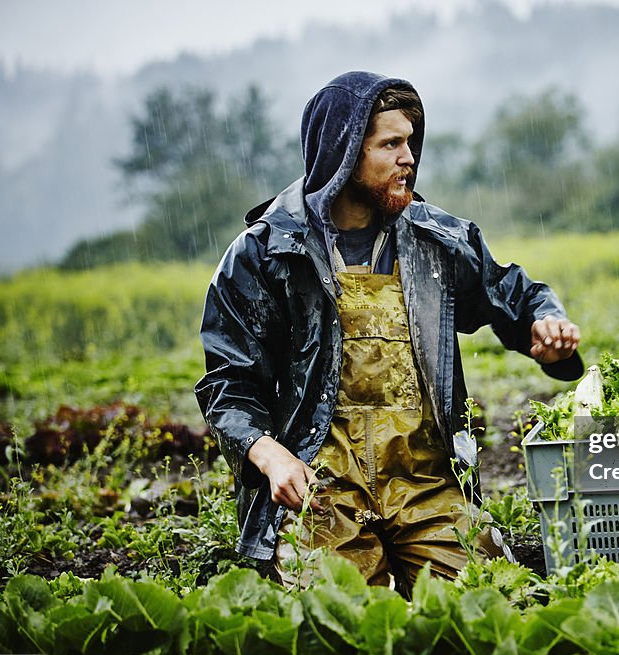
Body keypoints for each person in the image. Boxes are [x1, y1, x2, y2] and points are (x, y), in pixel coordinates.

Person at [195, 71, 582, 591]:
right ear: (344, 152)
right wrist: (270, 454)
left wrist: (546, 328)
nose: (409, 158)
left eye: (411, 142)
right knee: (344, 626)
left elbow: (514, 295)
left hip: (426, 483)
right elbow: (227, 384)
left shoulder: (437, 240)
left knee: (488, 607)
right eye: (391, 143)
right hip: (320, 487)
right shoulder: (266, 254)